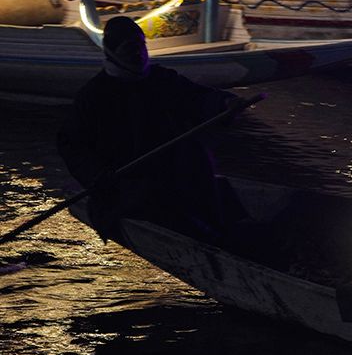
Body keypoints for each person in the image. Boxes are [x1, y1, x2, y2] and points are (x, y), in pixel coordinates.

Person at [56, 15, 243, 243]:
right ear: (113, 53)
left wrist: (225, 103)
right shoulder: (95, 94)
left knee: (199, 164)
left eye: (141, 46)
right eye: (130, 48)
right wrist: (97, 175)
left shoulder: (162, 79)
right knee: (159, 202)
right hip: (129, 179)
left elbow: (198, 98)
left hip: (172, 169)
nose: (138, 54)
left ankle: (224, 231)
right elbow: (73, 145)